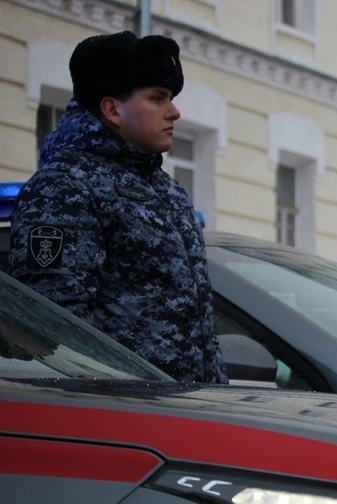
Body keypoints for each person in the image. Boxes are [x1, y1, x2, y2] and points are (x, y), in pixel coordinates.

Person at [8, 31, 227, 384]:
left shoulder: (168, 191)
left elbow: (198, 325)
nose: (174, 111)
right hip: (124, 414)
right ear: (112, 109)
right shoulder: (65, 186)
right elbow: (55, 329)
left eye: (170, 97)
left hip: (189, 412)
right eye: (158, 98)